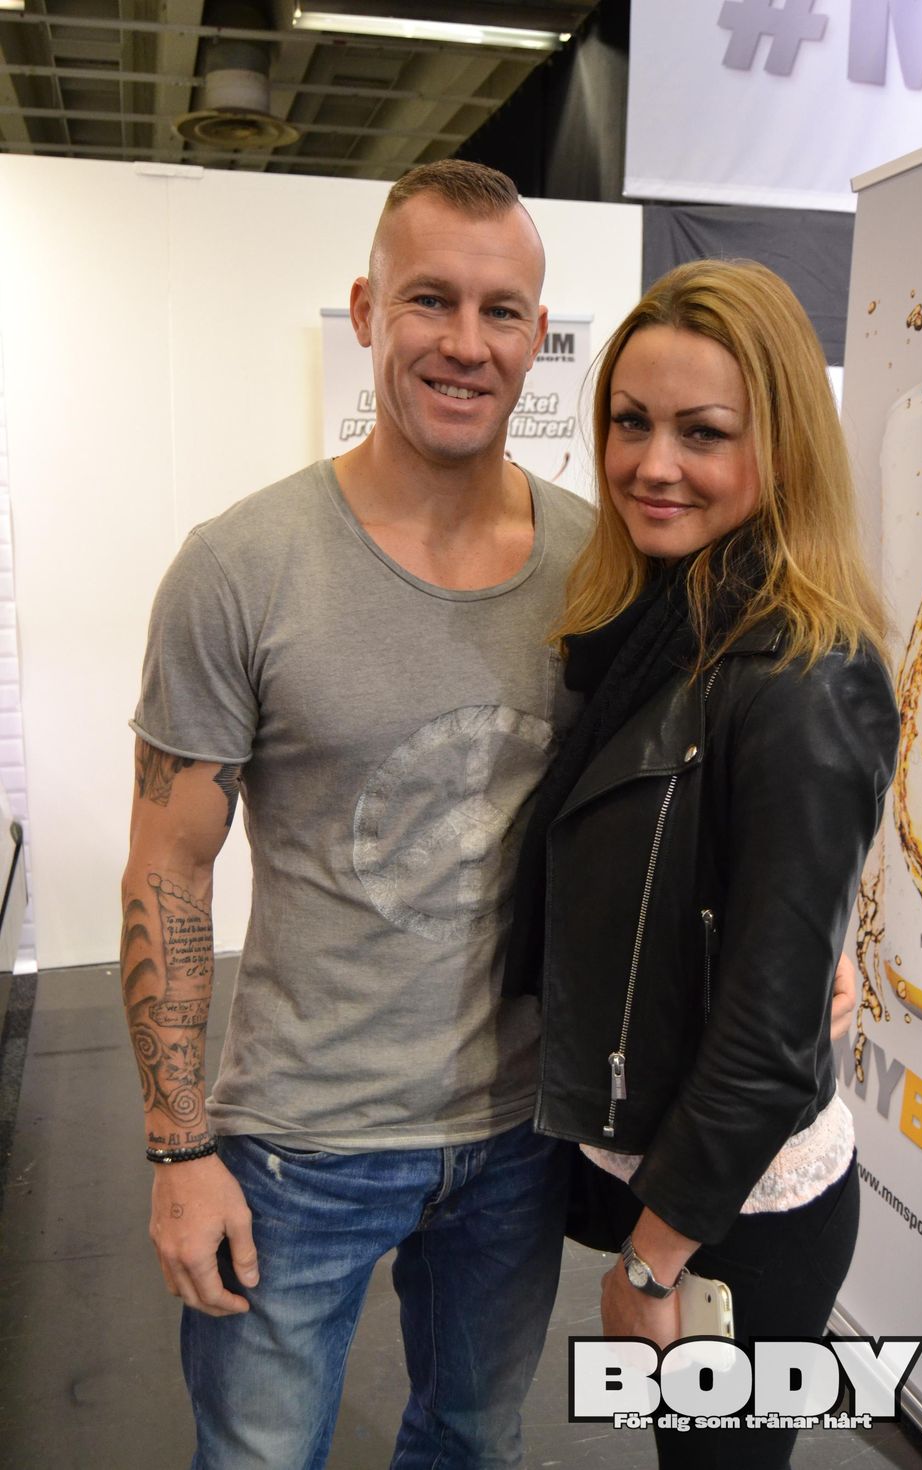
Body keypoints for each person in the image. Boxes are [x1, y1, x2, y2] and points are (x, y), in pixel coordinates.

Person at [120, 160, 594, 1469]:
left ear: (536, 337)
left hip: (520, 1131)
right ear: (368, 311)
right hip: (296, 1142)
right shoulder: (241, 566)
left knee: (473, 1442)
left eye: (501, 311)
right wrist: (178, 1150)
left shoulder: (596, 566)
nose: (465, 342)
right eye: (429, 299)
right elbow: (167, 866)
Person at [503, 259, 900, 1470]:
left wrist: (648, 1263)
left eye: (702, 432)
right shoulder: (657, 625)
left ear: (779, 448)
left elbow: (768, 1041)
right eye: (630, 422)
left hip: (734, 1217)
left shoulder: (804, 675)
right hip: (668, 1177)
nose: (652, 463)